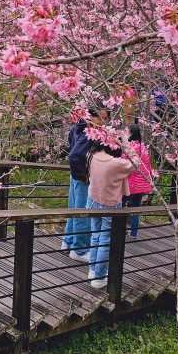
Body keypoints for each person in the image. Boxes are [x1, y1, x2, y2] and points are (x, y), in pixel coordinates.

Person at [62, 102, 109, 261]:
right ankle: (80, 250)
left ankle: (68, 241)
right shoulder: (89, 132)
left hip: (75, 174)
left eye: (105, 118)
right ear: (91, 117)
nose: (103, 122)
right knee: (83, 211)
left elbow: (71, 147)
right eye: (101, 118)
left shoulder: (77, 126)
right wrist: (83, 176)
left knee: (73, 208)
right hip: (82, 176)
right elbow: (74, 155)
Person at [86, 140, 135, 289]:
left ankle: (93, 270)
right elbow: (136, 162)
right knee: (105, 240)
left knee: (96, 235)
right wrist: (126, 145)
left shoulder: (90, 156)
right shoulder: (115, 163)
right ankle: (99, 278)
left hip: (93, 200)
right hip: (110, 203)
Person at [122, 123, 153, 239]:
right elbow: (148, 166)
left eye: (126, 131)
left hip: (131, 183)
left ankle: (121, 229)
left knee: (121, 205)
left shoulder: (130, 147)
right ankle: (134, 233)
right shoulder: (142, 147)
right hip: (141, 184)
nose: (124, 133)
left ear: (131, 133)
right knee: (136, 208)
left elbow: (124, 161)